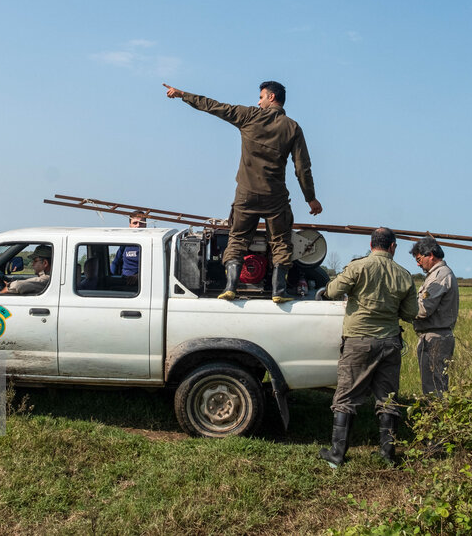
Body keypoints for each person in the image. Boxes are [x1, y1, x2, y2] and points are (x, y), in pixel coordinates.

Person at [164, 81, 322, 303]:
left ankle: (231, 288)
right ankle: (278, 291)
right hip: (275, 197)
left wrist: (183, 95)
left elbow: (213, 106)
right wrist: (310, 198)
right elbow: (302, 168)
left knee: (237, 238)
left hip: (246, 194)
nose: (258, 102)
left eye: (261, 97)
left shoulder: (249, 116)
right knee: (280, 242)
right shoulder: (292, 128)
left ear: (272, 97)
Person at [319, 228, 418, 467]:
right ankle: (387, 455)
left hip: (358, 341)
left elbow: (332, 291)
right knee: (388, 399)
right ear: (392, 247)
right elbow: (411, 313)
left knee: (347, 397)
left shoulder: (358, 267)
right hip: (390, 342)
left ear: (371, 244)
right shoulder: (404, 275)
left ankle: (337, 454)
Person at [410, 237, 459, 396]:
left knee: (435, 388)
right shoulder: (437, 274)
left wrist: (403, 308)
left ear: (430, 255)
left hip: (435, 338)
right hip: (434, 336)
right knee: (433, 385)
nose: (418, 264)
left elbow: (423, 309)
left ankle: (437, 419)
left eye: (419, 259)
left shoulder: (440, 275)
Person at [111, 213, 146, 284]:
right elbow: (115, 263)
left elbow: (155, 268)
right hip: (124, 282)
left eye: (141, 223)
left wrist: (138, 276)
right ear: (130, 225)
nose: (138, 226)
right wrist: (111, 278)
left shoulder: (151, 244)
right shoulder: (125, 244)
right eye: (135, 223)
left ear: (146, 225)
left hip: (142, 284)